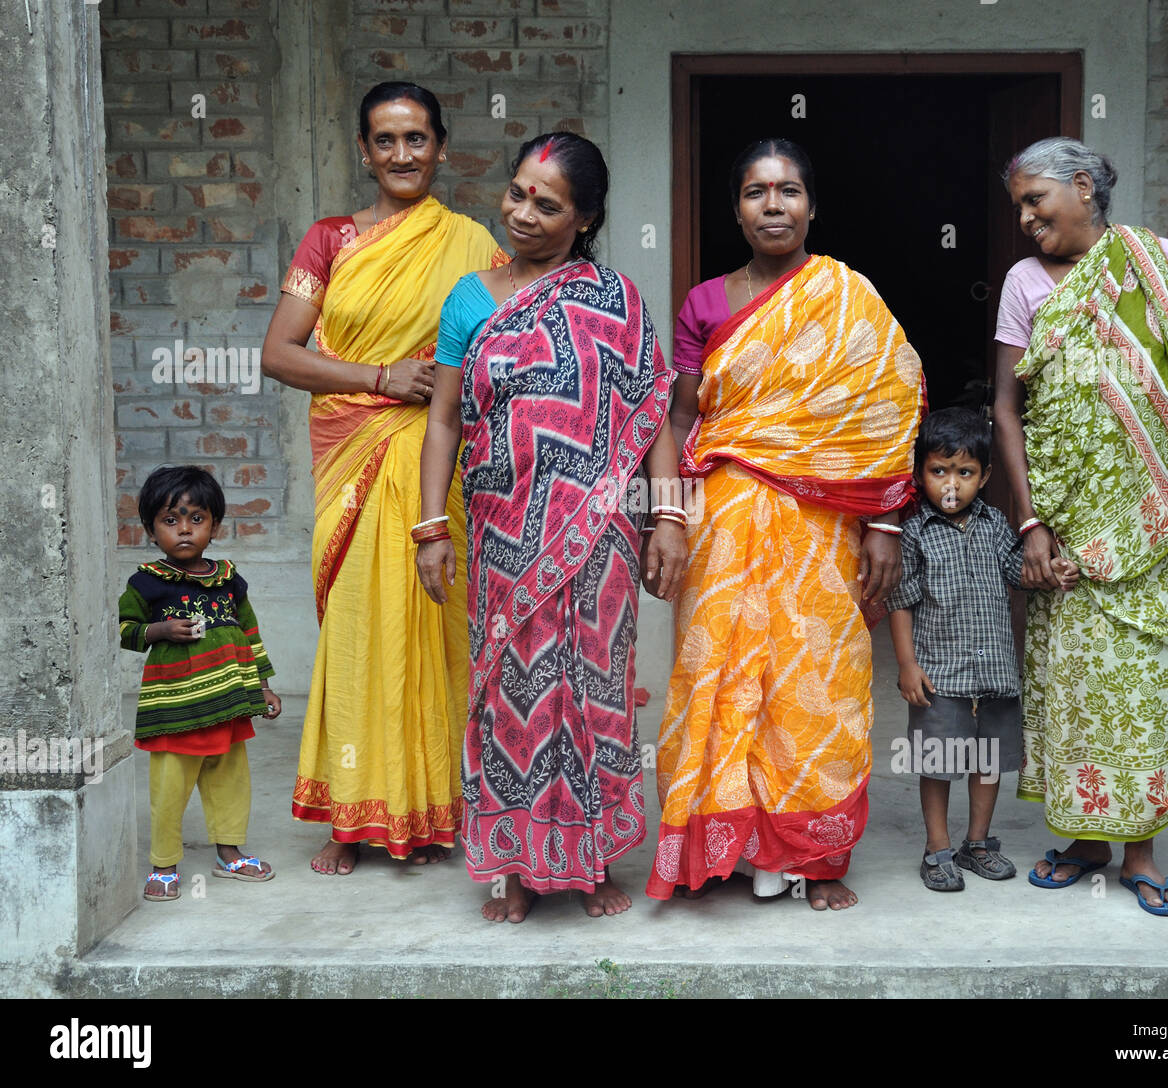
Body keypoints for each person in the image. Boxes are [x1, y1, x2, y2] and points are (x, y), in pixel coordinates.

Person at [645, 138, 925, 910]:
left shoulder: (847, 297)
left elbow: (889, 410)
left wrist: (887, 525)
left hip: (824, 524)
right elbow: (679, 414)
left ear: (811, 205)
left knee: (814, 682)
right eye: (756, 192)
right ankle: (726, 845)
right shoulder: (705, 302)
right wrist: (664, 516)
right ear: (735, 209)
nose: (774, 206)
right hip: (724, 516)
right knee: (720, 674)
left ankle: (812, 857)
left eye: (790, 190)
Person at [416, 133, 684, 923]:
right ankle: (514, 865)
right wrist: (432, 528)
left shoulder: (618, 299)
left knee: (596, 689)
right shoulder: (471, 297)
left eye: (548, 204)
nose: (523, 213)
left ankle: (591, 856)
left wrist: (667, 516)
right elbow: (441, 424)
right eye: (517, 193)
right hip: (502, 533)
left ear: (586, 218)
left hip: (599, 535)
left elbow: (654, 411)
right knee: (511, 690)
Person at [261, 82, 506, 875]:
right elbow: (280, 353)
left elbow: (502, 347)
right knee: (362, 630)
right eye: (386, 140)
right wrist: (379, 375)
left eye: (417, 139)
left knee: (440, 633)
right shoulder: (330, 241)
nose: (403, 154)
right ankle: (351, 813)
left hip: (447, 467)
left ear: (441, 146)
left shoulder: (475, 244)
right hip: (357, 459)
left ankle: (439, 807)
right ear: (365, 152)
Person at [993, 137, 1168, 916]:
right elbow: (1007, 407)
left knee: (1149, 681)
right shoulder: (1025, 282)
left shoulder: (1156, 259)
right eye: (1020, 206)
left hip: (1156, 515)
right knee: (1075, 686)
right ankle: (1088, 837)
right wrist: (1029, 522)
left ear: (1085, 186)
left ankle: (1141, 850)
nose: (1027, 218)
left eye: (1036, 200)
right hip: (1067, 523)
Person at [886, 408, 1079, 891]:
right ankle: (937, 849)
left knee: (987, 761)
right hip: (939, 676)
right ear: (919, 472)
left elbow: (1023, 574)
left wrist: (1054, 572)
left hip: (994, 674)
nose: (952, 484)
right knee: (938, 764)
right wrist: (907, 665)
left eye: (965, 472)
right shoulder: (913, 533)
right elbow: (901, 602)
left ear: (985, 476)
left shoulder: (995, 525)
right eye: (939, 471)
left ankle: (977, 843)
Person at [119, 465, 282, 902]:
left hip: (227, 705)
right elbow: (123, 631)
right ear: (152, 531)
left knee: (229, 783)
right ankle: (164, 864)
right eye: (171, 521)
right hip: (176, 711)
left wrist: (263, 686)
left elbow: (250, 632)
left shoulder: (229, 579)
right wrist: (161, 631)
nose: (185, 530)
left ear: (215, 526)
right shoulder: (147, 583)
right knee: (170, 791)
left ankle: (229, 854)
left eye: (197, 518)